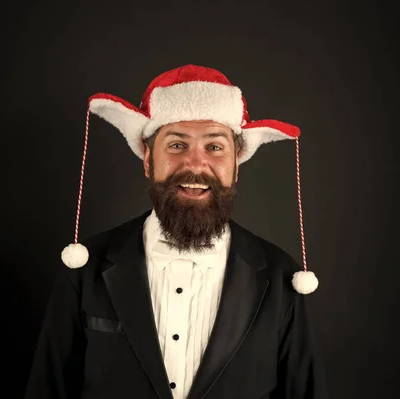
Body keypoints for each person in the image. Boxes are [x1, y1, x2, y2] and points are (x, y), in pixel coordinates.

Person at [23, 64, 330, 399]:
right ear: (147, 159)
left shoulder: (282, 279)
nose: (195, 164)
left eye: (214, 147)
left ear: (236, 164)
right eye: (176, 145)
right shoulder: (84, 270)